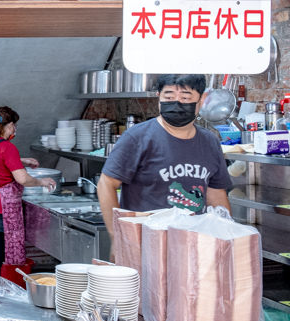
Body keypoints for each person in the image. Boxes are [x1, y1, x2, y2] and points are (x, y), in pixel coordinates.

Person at [97, 73, 232, 229]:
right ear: (158, 97)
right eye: (168, 97)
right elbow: (106, 184)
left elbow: (216, 196)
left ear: (202, 99)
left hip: (193, 240)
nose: (177, 103)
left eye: (185, 98)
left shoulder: (210, 141)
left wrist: (226, 234)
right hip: (146, 240)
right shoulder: (137, 137)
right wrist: (116, 234)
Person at [0, 106, 56, 292]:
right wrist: (41, 182)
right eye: (14, 125)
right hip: (0, 209)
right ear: (9, 126)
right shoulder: (7, 148)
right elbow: (23, 179)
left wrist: (22, 161)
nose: (15, 130)